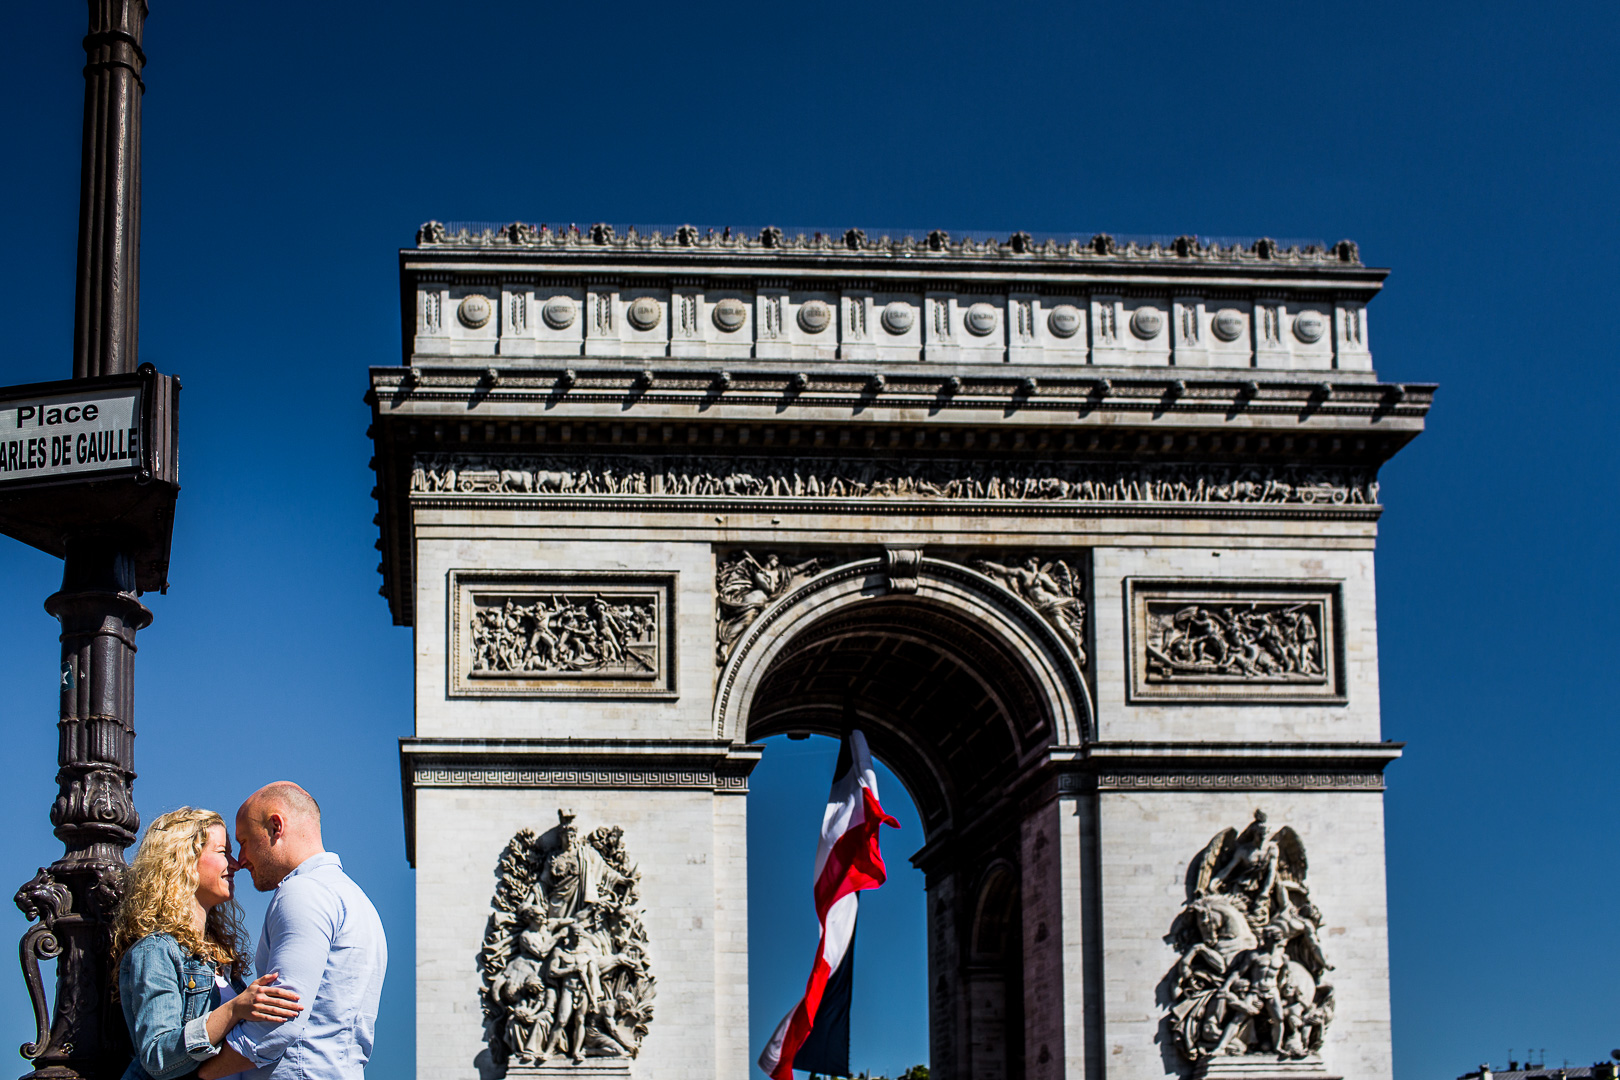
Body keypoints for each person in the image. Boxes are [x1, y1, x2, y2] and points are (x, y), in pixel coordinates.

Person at [198, 782, 387, 1080]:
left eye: (244, 841)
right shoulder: (357, 900)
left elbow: (279, 1017)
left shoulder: (302, 893)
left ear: (276, 826)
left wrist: (201, 1074)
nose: (241, 861)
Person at [111, 807, 304, 1080]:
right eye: (223, 851)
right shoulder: (156, 951)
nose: (235, 863)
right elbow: (158, 1056)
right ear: (183, 860)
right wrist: (235, 1009)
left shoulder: (219, 960)